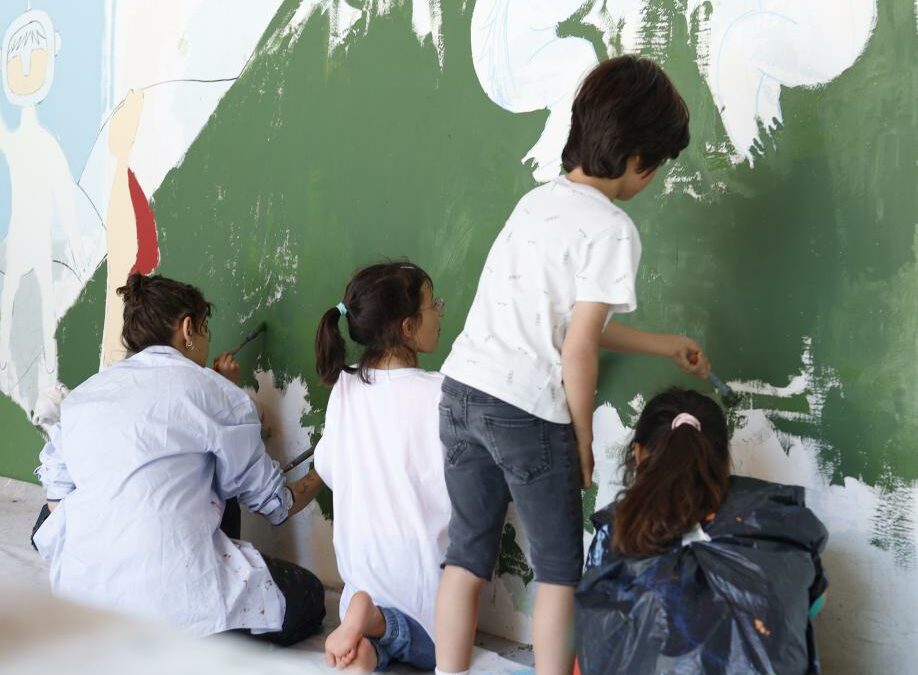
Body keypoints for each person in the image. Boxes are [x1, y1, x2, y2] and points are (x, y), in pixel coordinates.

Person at [434, 55, 711, 675]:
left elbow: (569, 324)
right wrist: (582, 439)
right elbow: (578, 348)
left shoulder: (537, 201)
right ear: (639, 159)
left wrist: (664, 343)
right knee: (559, 572)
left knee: (467, 557)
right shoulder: (613, 228)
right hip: (527, 413)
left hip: (461, 393)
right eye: (657, 166)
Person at [32, 273, 325, 644]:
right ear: (188, 329)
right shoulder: (216, 393)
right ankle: (206, 629)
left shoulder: (86, 395)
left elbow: (56, 501)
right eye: (205, 329)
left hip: (82, 597)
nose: (206, 340)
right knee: (309, 596)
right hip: (171, 597)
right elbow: (277, 505)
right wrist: (326, 465)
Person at [576, 388, 829, 674]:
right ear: (725, 460)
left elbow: (595, 634)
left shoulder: (617, 529)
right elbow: (811, 604)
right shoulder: (776, 521)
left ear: (638, 452)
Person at [313, 262, 448, 672]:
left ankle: (366, 638)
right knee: (443, 648)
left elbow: (328, 467)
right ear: (408, 327)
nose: (440, 313)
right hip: (423, 597)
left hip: (361, 580)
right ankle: (377, 624)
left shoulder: (345, 386)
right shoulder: (439, 394)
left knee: (368, 651)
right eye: (433, 305)